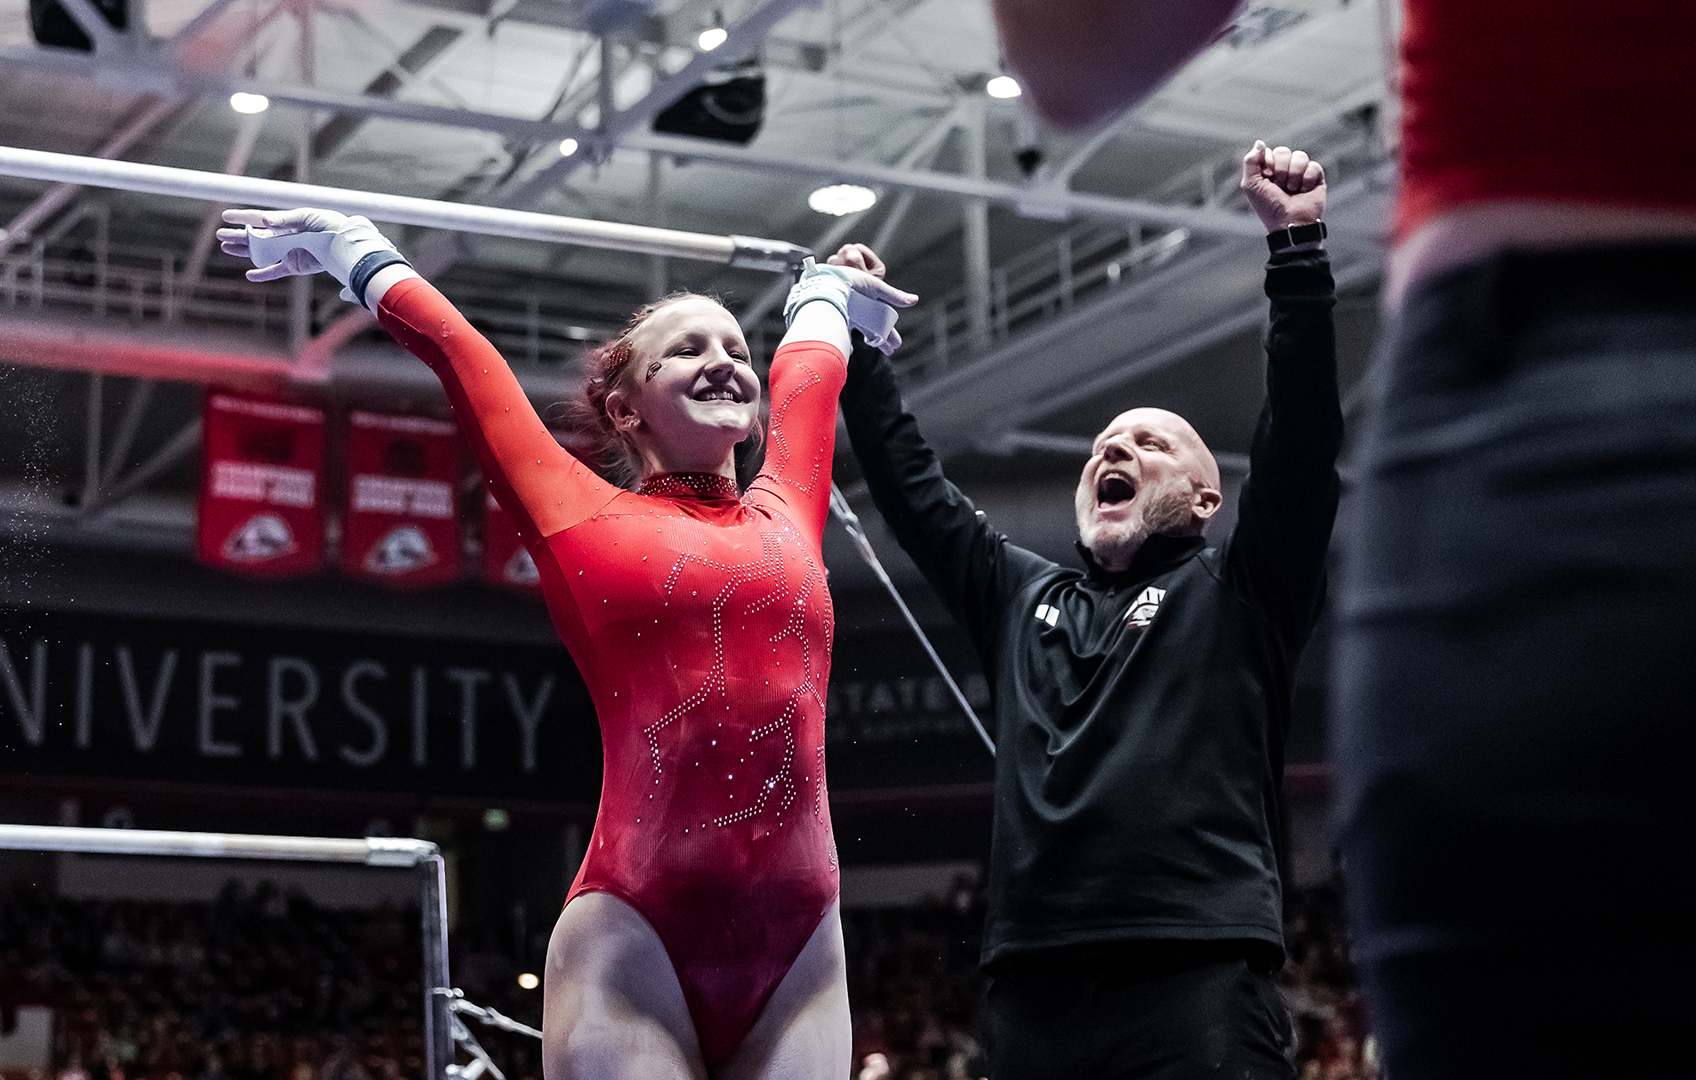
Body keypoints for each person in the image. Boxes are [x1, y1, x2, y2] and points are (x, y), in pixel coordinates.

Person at [989, 4, 1696, 1077]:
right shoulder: (1112, 593)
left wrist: (1299, 255)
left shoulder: (1237, 588)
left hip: (1534, 389)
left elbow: (1077, 56)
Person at [219, 210, 914, 1080]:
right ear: (625, 408)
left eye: (734, 346)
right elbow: (464, 360)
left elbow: (808, 372)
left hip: (803, 944)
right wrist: (350, 247)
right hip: (637, 940)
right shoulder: (580, 515)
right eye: (687, 349)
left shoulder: (789, 507)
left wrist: (831, 289)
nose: (724, 360)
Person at [834, 142, 1340, 1080]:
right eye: (1105, 442)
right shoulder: (1026, 597)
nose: (1115, 447)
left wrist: (1297, 252)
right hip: (1030, 1001)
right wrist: (858, 343)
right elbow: (913, 492)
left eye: (1149, 442)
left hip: (1197, 987)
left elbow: (1304, 442)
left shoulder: (1243, 592)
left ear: (1204, 498)